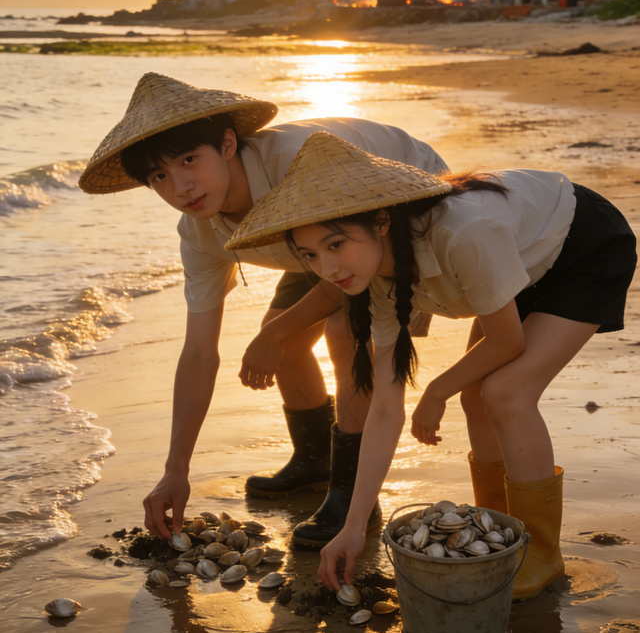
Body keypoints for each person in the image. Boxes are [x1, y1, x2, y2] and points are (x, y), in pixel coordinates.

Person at [225, 131, 636, 600]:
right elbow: (384, 406)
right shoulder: (374, 277)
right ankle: (502, 535)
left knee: (504, 392)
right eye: (311, 255)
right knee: (477, 398)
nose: (328, 269)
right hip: (518, 254)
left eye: (336, 244)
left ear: (381, 221)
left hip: (582, 246)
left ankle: (540, 554)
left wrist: (436, 390)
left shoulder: (462, 234)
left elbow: (506, 341)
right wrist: (354, 526)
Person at [79, 72, 448, 546]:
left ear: (228, 143)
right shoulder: (199, 232)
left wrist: (273, 334)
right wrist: (175, 470)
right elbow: (198, 352)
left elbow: (346, 280)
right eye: (159, 176)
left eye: (189, 159)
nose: (181, 187)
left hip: (397, 207)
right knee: (286, 338)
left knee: (342, 333)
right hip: (315, 238)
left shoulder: (295, 165)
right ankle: (315, 459)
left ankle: (353, 492)